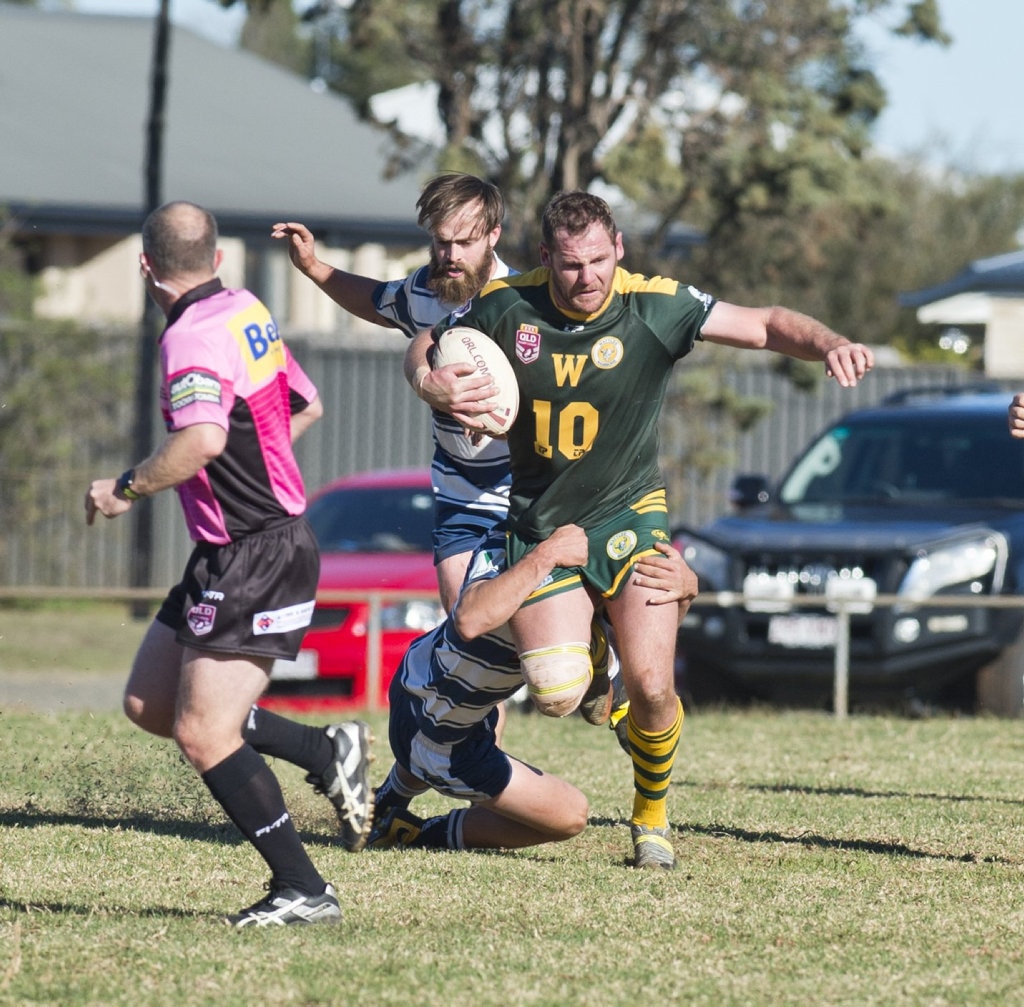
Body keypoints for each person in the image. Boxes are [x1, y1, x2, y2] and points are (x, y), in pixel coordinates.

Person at [424, 190, 875, 869]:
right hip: (543, 524)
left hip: (631, 518)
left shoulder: (654, 305)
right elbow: (428, 343)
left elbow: (765, 324)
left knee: (656, 687)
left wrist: (832, 343)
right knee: (555, 694)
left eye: (600, 260)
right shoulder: (504, 305)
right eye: (571, 264)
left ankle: (651, 817)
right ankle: (598, 650)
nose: (588, 278)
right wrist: (432, 380)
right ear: (546, 257)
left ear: (620, 249)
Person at [85, 201, 373, 928]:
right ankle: (323, 746)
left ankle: (303, 888)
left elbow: (203, 439)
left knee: (204, 731)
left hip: (256, 552)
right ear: (216, 260)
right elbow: (305, 403)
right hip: (231, 547)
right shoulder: (246, 309)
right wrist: (265, 465)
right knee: (152, 703)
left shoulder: (189, 337)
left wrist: (125, 489)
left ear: (146, 267)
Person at [364, 523, 697, 854]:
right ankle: (412, 833)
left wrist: (684, 592)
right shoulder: (510, 541)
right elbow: (469, 619)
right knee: (570, 815)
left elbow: (645, 647)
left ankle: (387, 799)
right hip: (437, 732)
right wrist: (546, 555)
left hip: (427, 685)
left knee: (488, 710)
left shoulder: (601, 547)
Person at [271, 172, 513, 612]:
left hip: (524, 489)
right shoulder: (426, 288)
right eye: (441, 242)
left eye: (466, 242)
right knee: (465, 620)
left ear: (494, 235)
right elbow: (376, 300)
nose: (451, 256)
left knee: (538, 639)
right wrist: (313, 267)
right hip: (460, 488)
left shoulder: (524, 302)